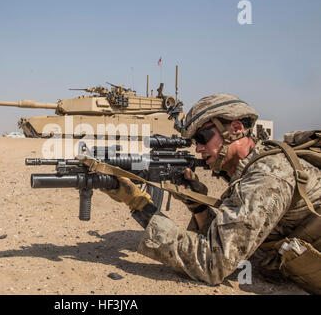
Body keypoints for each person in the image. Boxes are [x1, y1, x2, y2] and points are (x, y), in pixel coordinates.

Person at [99, 93, 320, 293]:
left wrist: (138, 203)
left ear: (235, 129)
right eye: (195, 142)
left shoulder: (267, 176)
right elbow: (229, 241)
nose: (198, 149)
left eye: (203, 138)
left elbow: (211, 264)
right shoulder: (253, 167)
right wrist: (199, 206)